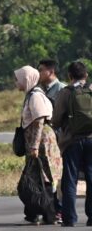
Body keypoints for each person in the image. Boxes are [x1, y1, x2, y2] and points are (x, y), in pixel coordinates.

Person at [14, 65, 62, 225]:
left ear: (26, 79)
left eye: (18, 79)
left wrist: (34, 146)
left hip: (41, 143)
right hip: (38, 143)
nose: (16, 82)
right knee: (33, 179)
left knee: (43, 178)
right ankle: (33, 213)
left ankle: (49, 214)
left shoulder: (35, 96)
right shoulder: (32, 95)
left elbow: (39, 120)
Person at [52, 61, 92, 227]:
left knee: (70, 180)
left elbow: (56, 119)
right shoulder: (91, 90)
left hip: (71, 141)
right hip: (91, 139)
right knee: (91, 178)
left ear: (69, 76)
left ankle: (69, 218)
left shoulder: (65, 92)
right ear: (86, 75)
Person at [37, 59, 65, 222]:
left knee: (59, 176)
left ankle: (59, 210)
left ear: (51, 71)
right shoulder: (42, 90)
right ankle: (51, 209)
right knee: (48, 176)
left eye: (41, 70)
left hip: (59, 140)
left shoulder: (61, 89)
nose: (39, 73)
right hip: (47, 141)